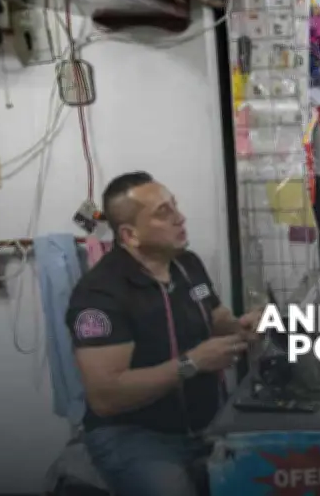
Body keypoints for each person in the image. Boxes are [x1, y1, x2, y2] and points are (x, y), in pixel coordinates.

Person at [65, 172, 262, 496]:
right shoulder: (100, 296)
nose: (180, 218)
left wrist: (243, 325)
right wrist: (192, 363)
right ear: (129, 235)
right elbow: (106, 396)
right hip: (135, 436)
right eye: (163, 212)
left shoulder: (188, 266)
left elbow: (213, 314)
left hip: (207, 426)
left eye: (175, 206)